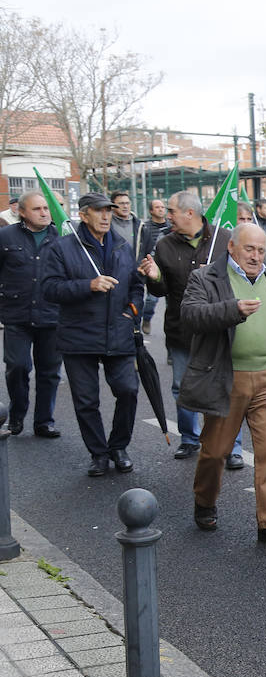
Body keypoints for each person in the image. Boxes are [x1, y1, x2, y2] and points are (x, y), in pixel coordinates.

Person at [179, 223, 266, 544]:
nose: (256, 256)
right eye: (249, 249)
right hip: (226, 376)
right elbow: (190, 316)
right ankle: (204, 501)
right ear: (231, 247)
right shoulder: (205, 277)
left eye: (261, 250)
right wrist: (231, 310)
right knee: (215, 452)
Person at [39, 192, 143, 476]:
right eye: (99, 211)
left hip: (118, 332)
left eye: (108, 211)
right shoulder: (62, 248)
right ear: (83, 215)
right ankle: (98, 453)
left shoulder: (122, 245)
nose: (106, 216)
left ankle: (119, 446)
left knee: (128, 390)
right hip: (79, 335)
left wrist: (133, 309)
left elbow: (135, 284)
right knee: (86, 400)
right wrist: (89, 285)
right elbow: (49, 289)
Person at [138, 191, 242, 468]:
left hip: (221, 329)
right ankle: (189, 438)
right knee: (182, 386)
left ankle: (232, 446)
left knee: (226, 388)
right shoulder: (165, 245)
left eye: (171, 211)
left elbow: (245, 278)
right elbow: (160, 290)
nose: (166, 216)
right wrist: (154, 276)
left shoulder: (224, 239)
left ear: (189, 213)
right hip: (182, 330)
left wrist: (218, 276)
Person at [0, 192, 63, 438]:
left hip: (52, 314)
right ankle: (16, 416)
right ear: (22, 212)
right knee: (17, 366)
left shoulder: (62, 238)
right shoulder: (5, 236)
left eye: (46, 208)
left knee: (49, 371)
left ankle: (44, 422)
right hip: (17, 315)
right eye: (37, 209)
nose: (44, 213)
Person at [138, 199, 170, 333]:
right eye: (157, 207)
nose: (161, 209)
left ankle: (170, 327)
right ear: (151, 211)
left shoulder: (170, 227)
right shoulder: (145, 227)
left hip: (168, 266)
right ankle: (146, 318)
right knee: (151, 299)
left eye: (163, 207)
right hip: (152, 267)